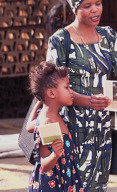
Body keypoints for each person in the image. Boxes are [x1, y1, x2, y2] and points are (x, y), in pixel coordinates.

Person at [27, 0, 117, 192]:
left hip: (102, 129)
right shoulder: (61, 40)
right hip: (71, 128)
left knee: (98, 185)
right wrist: (87, 100)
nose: (95, 10)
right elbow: (53, 86)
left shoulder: (108, 36)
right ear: (75, 7)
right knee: (73, 184)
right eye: (87, 6)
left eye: (98, 3)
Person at [28, 61, 84, 192]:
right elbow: (45, 165)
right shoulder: (48, 122)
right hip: (54, 185)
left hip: (64, 180)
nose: (71, 92)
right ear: (51, 93)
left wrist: (39, 100)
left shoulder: (53, 114)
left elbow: (28, 127)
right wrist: (55, 155)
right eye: (67, 87)